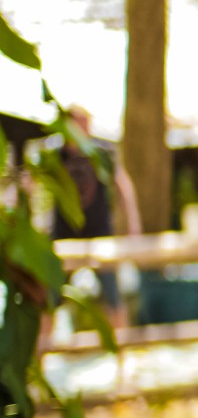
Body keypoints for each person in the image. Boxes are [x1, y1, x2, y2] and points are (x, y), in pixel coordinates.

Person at [48, 107, 140, 326]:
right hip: (64, 235)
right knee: (49, 298)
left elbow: (123, 185)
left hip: (99, 233)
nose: (85, 128)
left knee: (113, 296)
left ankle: (122, 353)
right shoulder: (54, 155)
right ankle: (42, 353)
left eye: (86, 122)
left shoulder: (101, 152)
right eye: (80, 122)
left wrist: (134, 224)